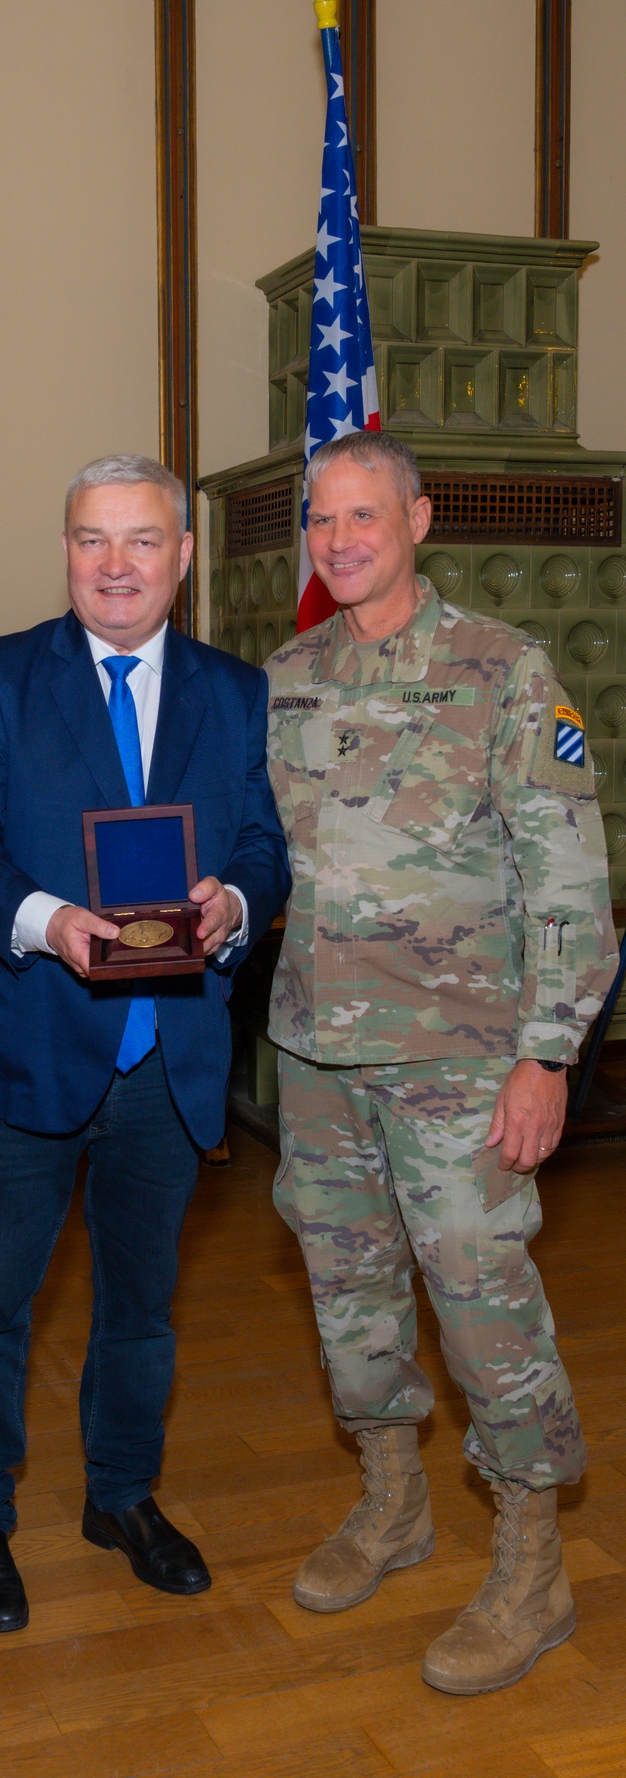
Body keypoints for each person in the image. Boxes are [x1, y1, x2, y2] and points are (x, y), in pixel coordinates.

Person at [265, 431, 618, 1695]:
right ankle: (393, 1501)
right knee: (350, 1299)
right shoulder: (289, 673)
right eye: (322, 519)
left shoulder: (505, 672)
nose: (341, 538)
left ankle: (533, 1562)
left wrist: (546, 1055)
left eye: (365, 514)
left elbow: (571, 879)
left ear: (418, 516)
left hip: (463, 1060)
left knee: (482, 1306)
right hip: (316, 1051)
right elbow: (269, 857)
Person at [0, 454, 290, 1631]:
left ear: (183, 556)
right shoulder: (2, 674)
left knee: (141, 1307)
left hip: (167, 1059)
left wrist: (236, 901)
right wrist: (44, 920)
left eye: (142, 540)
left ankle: (121, 1495)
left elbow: (265, 841)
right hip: (28, 1046)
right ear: (67, 551)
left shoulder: (235, 691)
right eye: (92, 539)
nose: (116, 563)